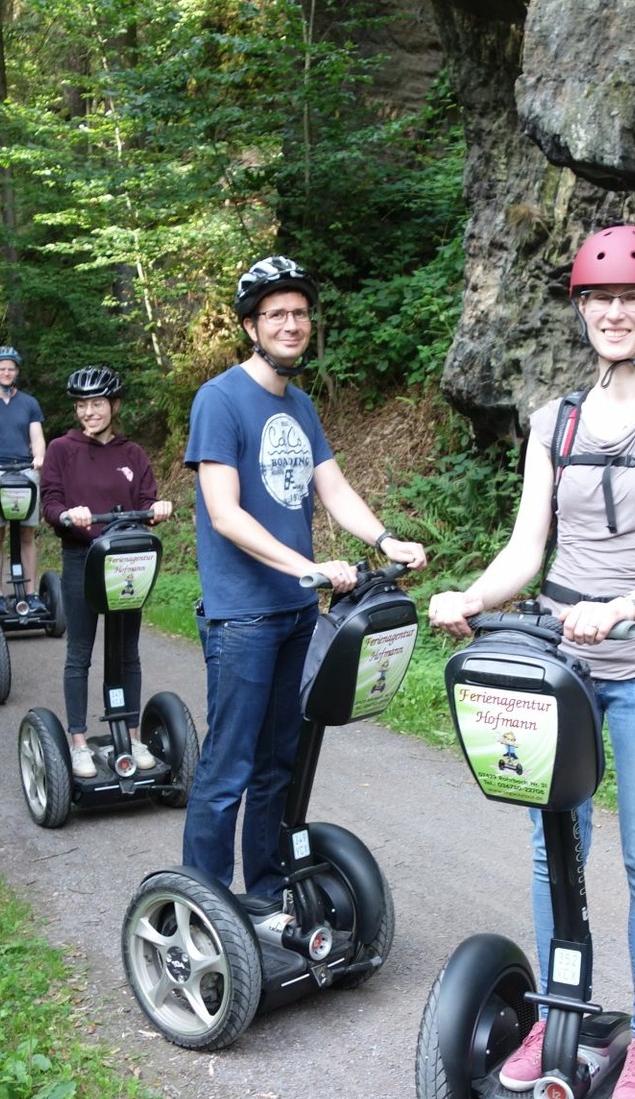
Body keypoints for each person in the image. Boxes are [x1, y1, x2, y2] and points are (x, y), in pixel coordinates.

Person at [426, 225, 635, 1099]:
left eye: (631, 297)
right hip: (560, 670)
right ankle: (558, 1019)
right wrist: (471, 593)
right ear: (581, 309)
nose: (613, 311)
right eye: (598, 298)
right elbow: (528, 546)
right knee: (554, 846)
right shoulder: (553, 421)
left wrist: (624, 607)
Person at [181, 255, 427, 898]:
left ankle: (262, 893)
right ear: (251, 326)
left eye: (299, 313)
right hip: (242, 617)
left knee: (278, 767)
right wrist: (309, 567)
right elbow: (225, 514)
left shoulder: (300, 404)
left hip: (295, 617)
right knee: (228, 767)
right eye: (276, 315)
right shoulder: (219, 400)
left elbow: (334, 489)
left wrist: (383, 539)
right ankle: (203, 903)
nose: (291, 324)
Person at [40, 365, 171, 778]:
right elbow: (50, 502)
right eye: (82, 405)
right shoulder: (62, 449)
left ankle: (131, 734)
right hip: (82, 559)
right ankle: (79, 742)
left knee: (126, 651)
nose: (89, 412)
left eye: (97, 404)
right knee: (80, 653)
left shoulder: (132, 454)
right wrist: (67, 515)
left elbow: (148, 500)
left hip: (124, 561)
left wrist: (157, 509)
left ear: (114, 405)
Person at [0, 345, 47, 615]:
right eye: (1, 368)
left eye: (11, 368)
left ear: (16, 371)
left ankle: (31, 592)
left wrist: (39, 457)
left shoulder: (29, 403)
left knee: (27, 532)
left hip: (24, 471)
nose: (6, 372)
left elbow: (37, 437)